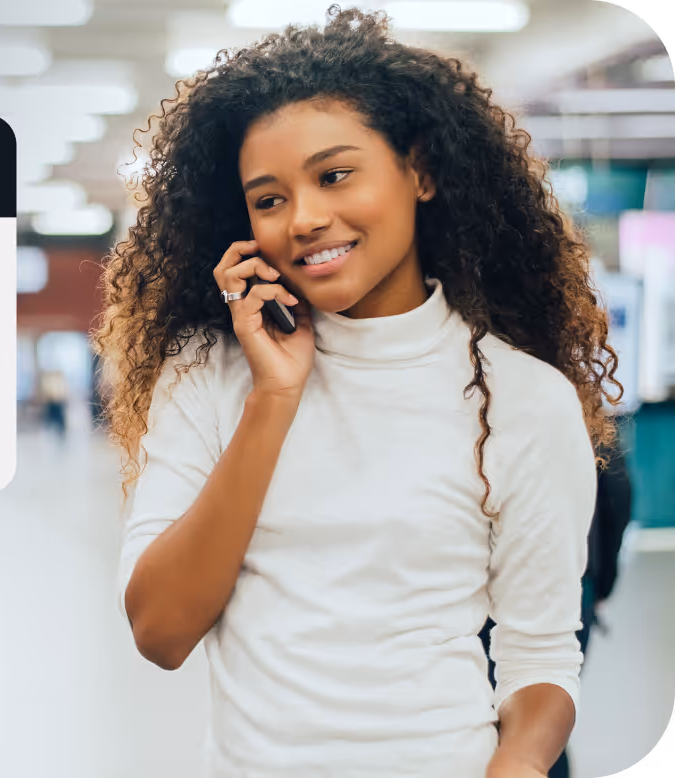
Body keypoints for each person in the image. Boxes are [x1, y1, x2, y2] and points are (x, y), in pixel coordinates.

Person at [93, 7, 623, 777]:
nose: (304, 219)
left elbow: (541, 657)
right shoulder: (209, 373)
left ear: (420, 172)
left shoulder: (522, 399)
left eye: (335, 175)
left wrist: (517, 766)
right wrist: (273, 397)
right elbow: (162, 631)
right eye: (268, 199)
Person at [478, 440, 633, 778]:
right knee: (540, 717)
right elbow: (619, 498)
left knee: (513, 711)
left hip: (494, 582)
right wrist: (604, 583)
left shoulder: (488, 413)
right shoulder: (586, 418)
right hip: (573, 580)